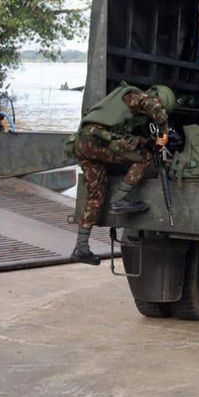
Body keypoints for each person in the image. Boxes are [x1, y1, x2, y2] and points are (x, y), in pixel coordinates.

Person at [71, 84, 175, 265]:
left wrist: (143, 140)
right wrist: (164, 131)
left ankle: (81, 246)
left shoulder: (119, 102)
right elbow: (153, 106)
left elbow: (122, 134)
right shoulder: (136, 95)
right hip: (99, 141)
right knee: (144, 157)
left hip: (83, 143)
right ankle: (119, 199)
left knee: (96, 196)